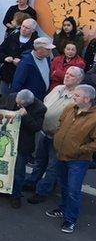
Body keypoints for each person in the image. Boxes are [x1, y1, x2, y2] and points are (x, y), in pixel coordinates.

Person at [26, 66, 83, 204]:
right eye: (67, 73)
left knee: (53, 166)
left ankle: (42, 191)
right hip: (44, 132)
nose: (67, 76)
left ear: (79, 80)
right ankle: (32, 182)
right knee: (40, 160)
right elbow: (45, 103)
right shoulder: (57, 88)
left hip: (58, 138)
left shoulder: (78, 97)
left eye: (71, 75)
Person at [47, 84, 96, 233]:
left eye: (77, 96)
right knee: (64, 185)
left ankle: (70, 220)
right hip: (61, 154)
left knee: (73, 190)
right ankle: (63, 209)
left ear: (87, 99)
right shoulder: (70, 108)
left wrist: (79, 150)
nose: (73, 98)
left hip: (78, 160)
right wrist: (58, 137)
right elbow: (61, 124)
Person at [0, 90, 47, 208]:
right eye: (17, 103)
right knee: (4, 167)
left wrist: (25, 116)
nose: (18, 106)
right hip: (7, 140)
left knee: (19, 172)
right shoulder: (12, 97)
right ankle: (2, 190)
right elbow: (6, 108)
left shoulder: (40, 108)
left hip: (22, 144)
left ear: (29, 103)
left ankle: (15, 196)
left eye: (21, 105)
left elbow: (36, 127)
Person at [0, 18, 39, 100]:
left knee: (19, 100)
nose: (23, 29)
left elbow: (38, 61)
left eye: (27, 28)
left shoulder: (36, 43)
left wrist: (22, 62)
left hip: (24, 78)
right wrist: (5, 57)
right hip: (7, 74)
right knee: (6, 99)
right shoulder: (12, 37)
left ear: (33, 30)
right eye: (23, 26)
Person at [11, 37, 55, 101]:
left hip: (42, 98)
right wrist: (16, 101)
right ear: (39, 49)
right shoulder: (26, 62)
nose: (50, 51)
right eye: (48, 49)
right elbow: (17, 82)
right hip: (29, 100)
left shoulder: (47, 58)